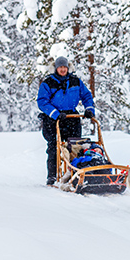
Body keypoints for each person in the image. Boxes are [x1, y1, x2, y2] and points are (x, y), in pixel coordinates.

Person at [37, 56, 96, 185]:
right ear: (56, 68)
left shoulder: (75, 81)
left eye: (65, 67)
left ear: (68, 68)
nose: (63, 69)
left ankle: (75, 173)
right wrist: (56, 114)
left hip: (71, 117)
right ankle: (52, 176)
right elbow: (42, 102)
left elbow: (86, 95)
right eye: (60, 67)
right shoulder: (48, 83)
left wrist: (89, 109)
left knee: (75, 147)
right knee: (54, 146)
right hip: (53, 119)